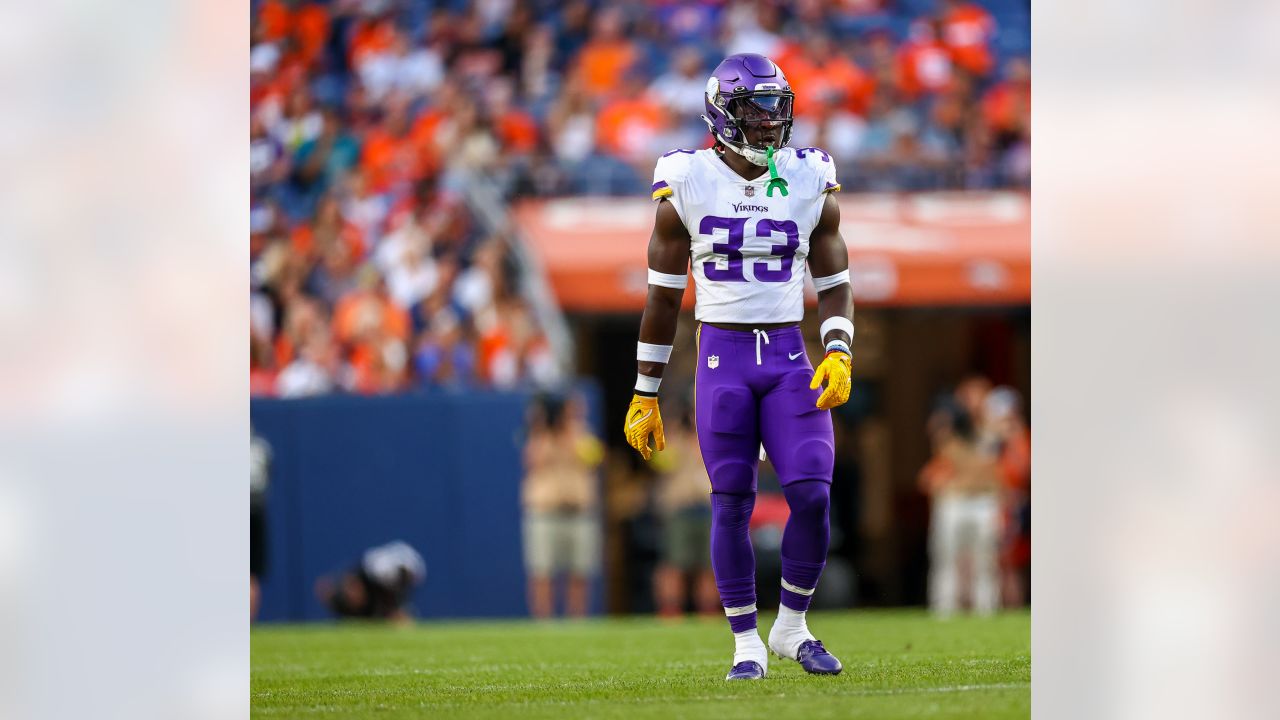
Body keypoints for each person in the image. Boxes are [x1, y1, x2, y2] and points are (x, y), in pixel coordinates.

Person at [623, 54, 854, 680]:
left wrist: (838, 348)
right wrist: (645, 392)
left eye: (778, 108)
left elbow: (833, 276)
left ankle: (792, 626)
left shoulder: (809, 175)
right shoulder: (686, 179)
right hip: (722, 357)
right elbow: (663, 297)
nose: (770, 122)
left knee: (811, 492)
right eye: (756, 109)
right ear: (722, 112)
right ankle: (746, 643)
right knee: (731, 502)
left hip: (786, 356)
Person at [522, 394, 604, 619]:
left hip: (578, 511)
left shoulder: (582, 433)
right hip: (546, 511)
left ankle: (576, 619)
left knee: (580, 570)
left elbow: (594, 457)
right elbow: (533, 460)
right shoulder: (539, 435)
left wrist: (571, 431)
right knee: (542, 570)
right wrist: (544, 428)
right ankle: (543, 620)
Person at [919, 397, 1002, 616]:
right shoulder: (947, 441)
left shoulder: (989, 437)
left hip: (983, 502)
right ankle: (943, 607)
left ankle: (987, 607)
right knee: (945, 556)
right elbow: (929, 478)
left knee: (985, 559)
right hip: (954, 501)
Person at [649, 406, 718, 618]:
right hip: (680, 509)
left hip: (708, 507)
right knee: (675, 564)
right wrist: (673, 430)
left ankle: (708, 612)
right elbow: (659, 461)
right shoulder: (672, 439)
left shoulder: (713, 436)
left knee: (710, 565)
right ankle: (671, 612)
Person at [314, 540, 426, 623]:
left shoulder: (412, 571)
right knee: (355, 598)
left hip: (381, 587)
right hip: (368, 581)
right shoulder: (379, 569)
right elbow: (356, 578)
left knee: (401, 620)